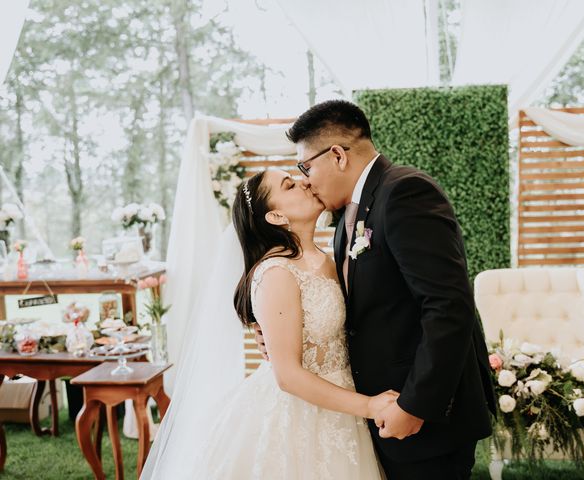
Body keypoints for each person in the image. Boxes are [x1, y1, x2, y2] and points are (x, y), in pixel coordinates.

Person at [255, 100, 497, 479]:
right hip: (375, 414)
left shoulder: (405, 193)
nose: (305, 179)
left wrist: (414, 406)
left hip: (421, 415)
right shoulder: (344, 222)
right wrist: (286, 334)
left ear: (336, 155)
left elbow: (448, 306)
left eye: (306, 166)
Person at [142, 167, 396, 479]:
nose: (303, 182)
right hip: (300, 414)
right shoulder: (276, 273)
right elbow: (287, 376)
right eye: (290, 185)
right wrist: (369, 406)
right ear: (276, 217)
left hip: (342, 405)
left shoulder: (325, 258)